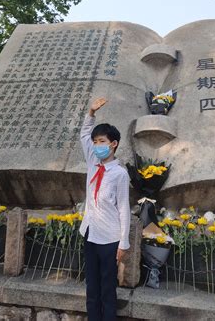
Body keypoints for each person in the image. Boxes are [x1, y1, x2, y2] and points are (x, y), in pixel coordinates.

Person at [79, 97, 131, 321]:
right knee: (91, 288)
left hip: (110, 240)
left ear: (113, 144)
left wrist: (124, 242)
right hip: (90, 234)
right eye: (96, 141)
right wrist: (91, 112)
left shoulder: (119, 174)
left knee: (107, 290)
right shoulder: (93, 162)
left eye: (102, 141)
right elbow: (84, 134)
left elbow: (124, 209)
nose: (97, 145)